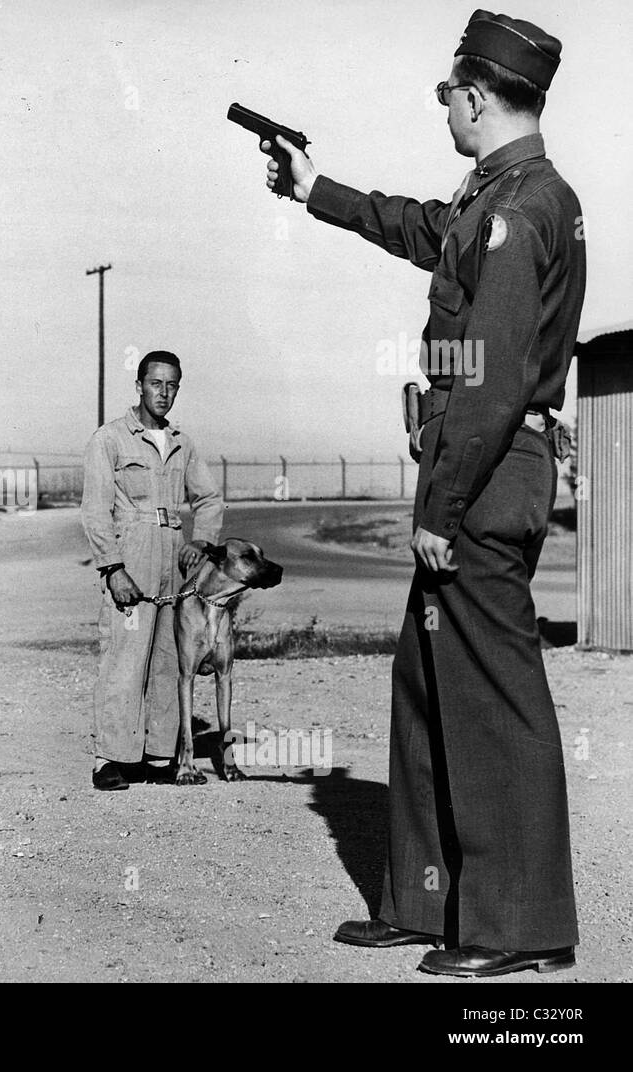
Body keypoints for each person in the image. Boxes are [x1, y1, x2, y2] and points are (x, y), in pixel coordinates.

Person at [264, 10, 583, 976]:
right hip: (475, 475)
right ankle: (430, 901)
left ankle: (518, 929)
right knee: (429, 690)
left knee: (491, 700)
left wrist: (438, 513)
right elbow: (419, 228)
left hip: (481, 482)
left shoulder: (520, 211)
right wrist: (318, 189)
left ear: (478, 97)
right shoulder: (501, 198)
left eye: (449, 92)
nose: (444, 103)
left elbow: (485, 384)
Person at [81, 351, 224, 791]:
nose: (164, 393)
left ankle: (160, 754)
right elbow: (94, 510)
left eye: (172, 385)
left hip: (174, 556)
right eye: (156, 383)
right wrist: (113, 568)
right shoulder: (111, 439)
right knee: (125, 657)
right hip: (132, 555)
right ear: (139, 385)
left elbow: (209, 500)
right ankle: (111, 757)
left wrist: (200, 543)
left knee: (168, 657)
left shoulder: (183, 441)